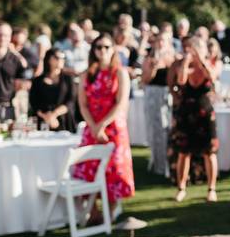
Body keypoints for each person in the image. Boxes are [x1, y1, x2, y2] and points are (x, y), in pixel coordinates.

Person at [71, 34, 134, 224]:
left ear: (113, 49)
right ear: (94, 50)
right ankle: (95, 212)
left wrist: (103, 126)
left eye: (107, 47)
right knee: (88, 167)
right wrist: (94, 126)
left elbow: (120, 103)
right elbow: (82, 104)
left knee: (114, 169)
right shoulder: (87, 74)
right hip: (92, 125)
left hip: (113, 127)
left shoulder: (120, 73)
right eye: (99, 47)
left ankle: (112, 210)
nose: (103, 51)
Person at [169, 37, 220, 203]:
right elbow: (181, 80)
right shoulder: (183, 64)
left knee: (209, 152)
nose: (193, 51)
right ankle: (181, 188)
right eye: (191, 48)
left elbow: (211, 77)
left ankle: (212, 189)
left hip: (205, 112)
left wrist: (201, 59)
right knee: (183, 152)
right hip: (186, 112)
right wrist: (187, 61)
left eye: (197, 48)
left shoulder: (211, 62)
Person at [141, 32, 175, 177]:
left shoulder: (172, 59)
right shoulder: (149, 59)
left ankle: (170, 161)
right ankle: (159, 163)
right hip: (153, 94)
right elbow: (145, 80)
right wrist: (153, 68)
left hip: (167, 95)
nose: (161, 43)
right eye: (159, 40)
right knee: (157, 130)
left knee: (168, 129)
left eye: (164, 41)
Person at [29, 49, 76, 132]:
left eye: (63, 58)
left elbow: (71, 101)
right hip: (42, 122)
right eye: (57, 57)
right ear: (49, 59)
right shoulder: (37, 81)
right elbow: (34, 103)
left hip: (64, 121)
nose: (61, 60)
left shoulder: (68, 79)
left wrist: (54, 115)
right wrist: (47, 117)